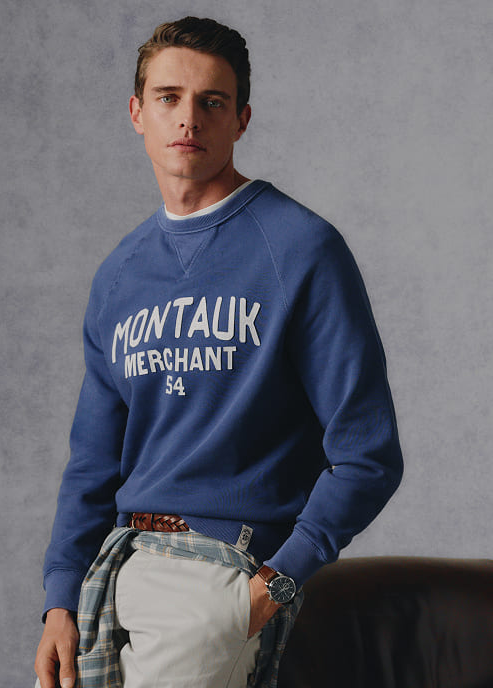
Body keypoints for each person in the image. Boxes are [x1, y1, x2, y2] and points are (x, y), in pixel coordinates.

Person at [34, 15, 403, 688]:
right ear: (136, 113)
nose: (189, 118)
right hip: (111, 572)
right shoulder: (119, 274)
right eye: (169, 97)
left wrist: (274, 586)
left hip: (219, 573)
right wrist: (60, 599)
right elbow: (92, 462)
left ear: (241, 120)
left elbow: (368, 454)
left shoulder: (300, 248)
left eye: (212, 101)